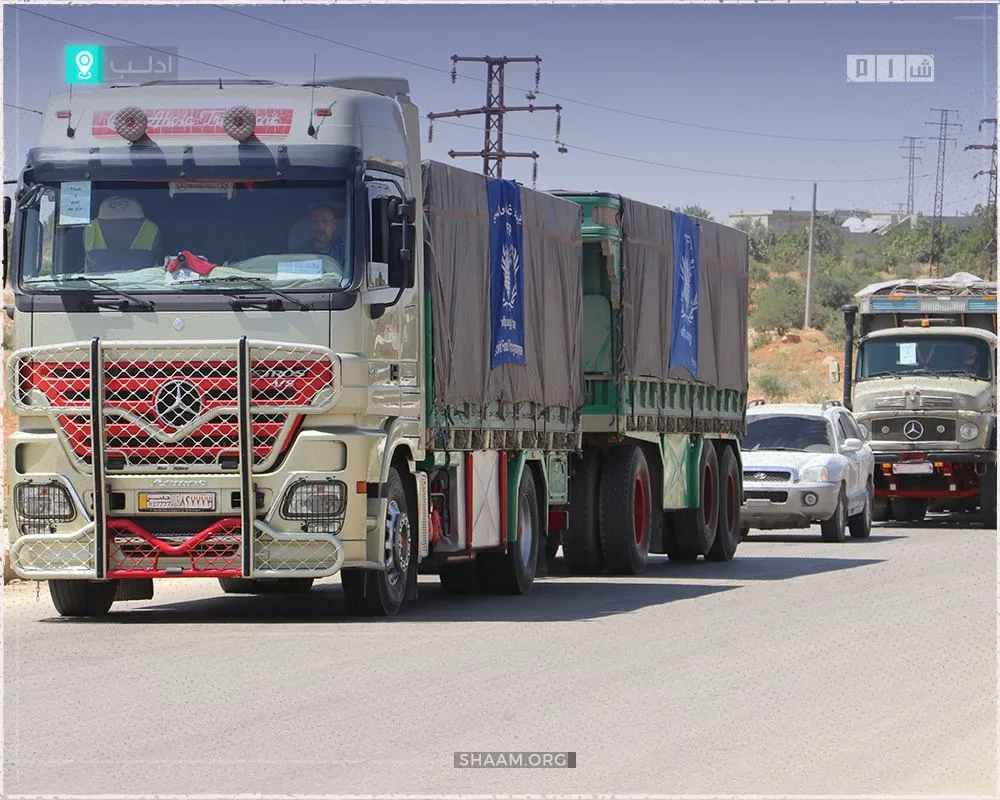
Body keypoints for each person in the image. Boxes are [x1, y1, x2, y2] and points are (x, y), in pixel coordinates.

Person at [83, 195, 163, 272]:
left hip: (89, 285)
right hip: (148, 285)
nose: (118, 228)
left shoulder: (89, 230)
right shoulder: (152, 230)